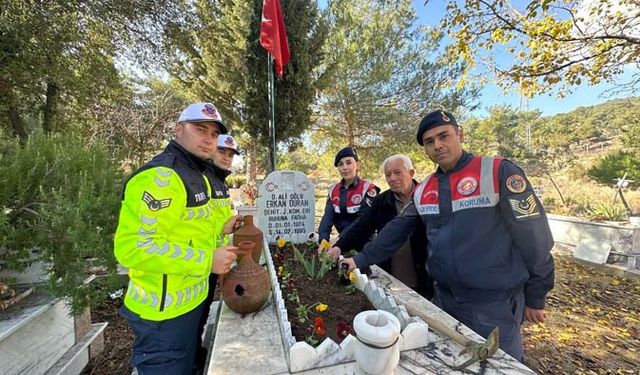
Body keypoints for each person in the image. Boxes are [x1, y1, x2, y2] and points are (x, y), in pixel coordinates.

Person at [340, 109, 555, 362]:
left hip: (493, 305)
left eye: (444, 136)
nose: (438, 145)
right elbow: (397, 230)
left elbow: (535, 236)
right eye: (430, 142)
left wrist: (537, 294)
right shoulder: (425, 189)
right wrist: (360, 259)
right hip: (442, 300)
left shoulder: (498, 172)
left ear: (460, 134)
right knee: (447, 362)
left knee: (496, 365)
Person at [114, 102, 242, 375]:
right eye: (200, 129)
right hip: (162, 317)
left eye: (213, 133)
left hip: (190, 304)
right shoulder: (160, 177)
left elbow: (190, 231)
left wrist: (221, 231)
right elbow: (134, 247)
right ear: (178, 129)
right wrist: (207, 259)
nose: (208, 139)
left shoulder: (198, 174)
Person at [324, 154, 433, 299]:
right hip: (391, 273)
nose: (392, 178)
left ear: (411, 173)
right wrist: (339, 246)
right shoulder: (382, 201)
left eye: (397, 172)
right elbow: (362, 226)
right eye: (388, 174)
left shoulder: (428, 197)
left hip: (424, 275)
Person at [194, 134, 241, 371]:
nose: (227, 158)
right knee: (196, 314)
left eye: (231, 154)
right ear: (212, 150)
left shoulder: (220, 181)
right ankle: (193, 360)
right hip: (200, 260)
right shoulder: (202, 178)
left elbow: (217, 222)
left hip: (215, 258)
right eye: (223, 152)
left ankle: (197, 354)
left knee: (202, 313)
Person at [317, 146, 379, 246]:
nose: (345, 167)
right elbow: (327, 218)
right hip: (342, 244)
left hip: (365, 243)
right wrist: (323, 240)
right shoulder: (333, 190)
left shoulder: (368, 188)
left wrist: (340, 239)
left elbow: (363, 220)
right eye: (340, 164)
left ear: (358, 165)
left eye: (349, 162)